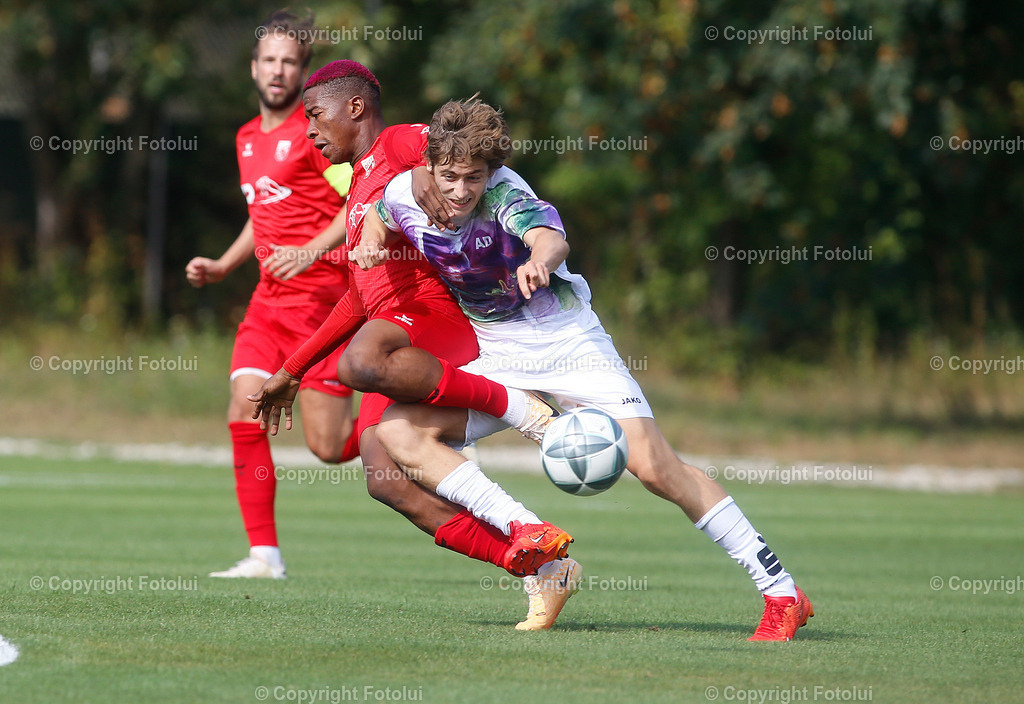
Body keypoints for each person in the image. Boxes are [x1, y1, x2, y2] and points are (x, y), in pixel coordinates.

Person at [356, 97, 814, 640]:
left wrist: (537, 261)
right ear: (429, 165)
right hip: (497, 354)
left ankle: (782, 592)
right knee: (398, 432)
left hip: (569, 345)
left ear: (491, 172)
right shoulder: (402, 194)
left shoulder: (506, 192)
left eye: (473, 178)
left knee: (657, 470)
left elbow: (551, 237)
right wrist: (368, 240)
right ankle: (525, 529)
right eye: (450, 177)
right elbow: (380, 218)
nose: (461, 191)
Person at [247, 60, 576, 603]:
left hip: (434, 319)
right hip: (396, 328)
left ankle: (520, 407)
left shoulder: (398, 143)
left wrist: (426, 176)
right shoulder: (356, 193)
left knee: (360, 362)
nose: (308, 129)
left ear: (355, 108)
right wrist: (290, 371)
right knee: (385, 479)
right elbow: (358, 298)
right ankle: (538, 565)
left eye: (314, 115)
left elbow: (451, 149)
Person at [185, 10, 357, 579]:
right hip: (268, 304)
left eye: (289, 61)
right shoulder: (245, 138)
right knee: (243, 411)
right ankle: (265, 556)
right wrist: (223, 265)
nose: (278, 70)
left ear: (304, 71)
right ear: (253, 68)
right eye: (269, 60)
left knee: (328, 448)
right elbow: (264, 215)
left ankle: (417, 428)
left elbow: (359, 205)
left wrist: (311, 250)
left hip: (324, 307)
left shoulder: (317, 136)